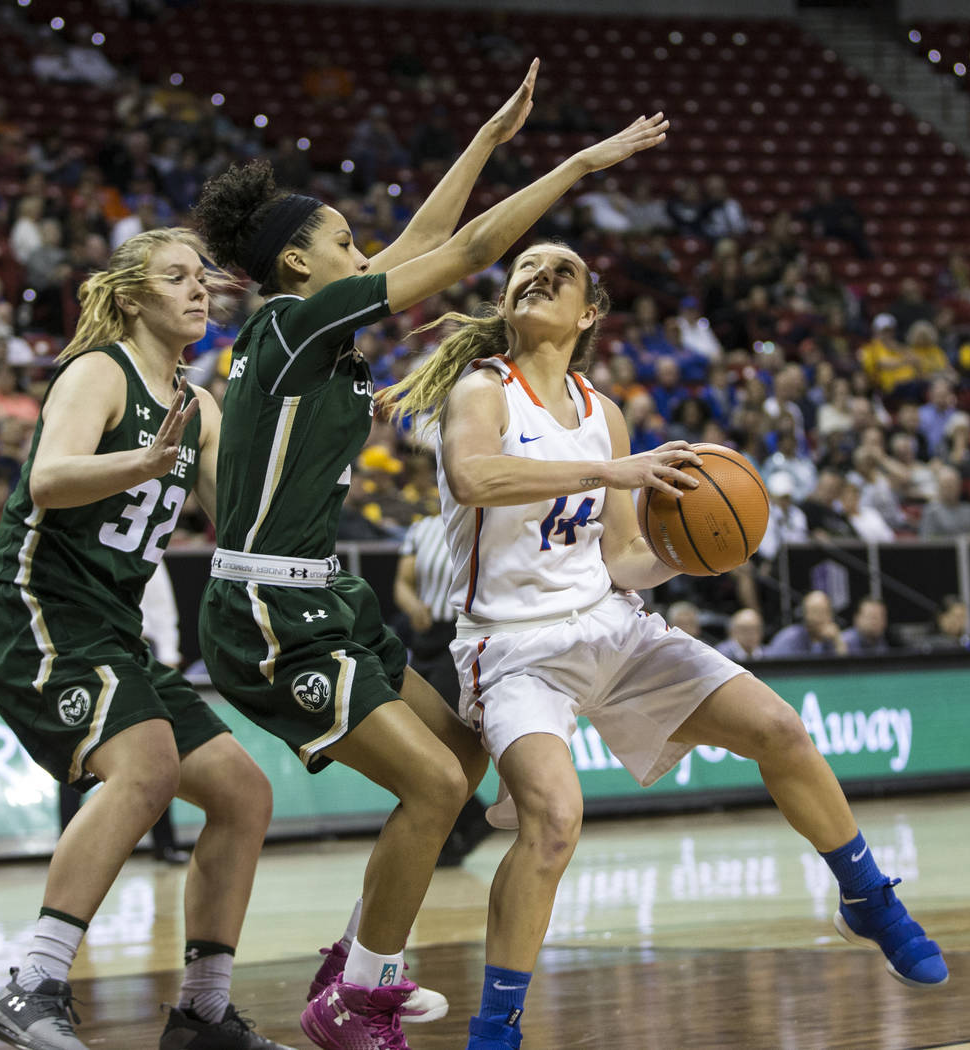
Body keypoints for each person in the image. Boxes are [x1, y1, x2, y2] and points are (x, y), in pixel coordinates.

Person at [191, 59, 672, 1049]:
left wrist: (490, 139)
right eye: (344, 241)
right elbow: (468, 251)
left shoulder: (314, 325)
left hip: (323, 596)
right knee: (436, 788)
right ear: (297, 264)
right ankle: (358, 999)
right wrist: (578, 164)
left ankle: (354, 959)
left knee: (461, 753)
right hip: (267, 607)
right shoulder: (293, 323)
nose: (365, 252)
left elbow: (423, 243)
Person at [382, 241, 947, 1050]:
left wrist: (691, 552)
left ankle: (867, 897)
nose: (539, 275)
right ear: (504, 300)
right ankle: (496, 1029)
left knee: (779, 729)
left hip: (613, 625)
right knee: (554, 821)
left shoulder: (603, 413)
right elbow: (476, 478)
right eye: (526, 268)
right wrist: (611, 475)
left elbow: (619, 556)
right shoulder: (484, 390)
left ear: (589, 313)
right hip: (513, 647)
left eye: (561, 271)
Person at [0, 227, 298, 1050]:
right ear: (130, 296)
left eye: (203, 277)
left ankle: (204, 1014)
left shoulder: (201, 406)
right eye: (177, 277)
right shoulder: (99, 371)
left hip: (113, 628)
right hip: (36, 606)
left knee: (243, 794)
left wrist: (308, 448)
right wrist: (143, 464)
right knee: (147, 766)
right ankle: (33, 984)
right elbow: (49, 478)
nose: (200, 289)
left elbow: (241, 525)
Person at [394, 511, 493, 868]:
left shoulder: (488, 521)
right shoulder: (421, 528)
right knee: (417, 738)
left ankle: (458, 824)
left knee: (440, 736)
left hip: (464, 636)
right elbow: (403, 582)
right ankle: (466, 820)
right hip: (426, 636)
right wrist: (411, 605)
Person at [765, 589, 848, 657]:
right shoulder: (789, 639)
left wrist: (838, 642)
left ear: (830, 614)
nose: (814, 618)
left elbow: (845, 669)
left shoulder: (832, 639)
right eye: (811, 612)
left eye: (820, 612)